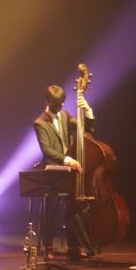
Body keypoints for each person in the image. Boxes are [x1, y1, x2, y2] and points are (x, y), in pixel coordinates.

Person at [32, 85, 94, 259]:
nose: (60, 107)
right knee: (50, 208)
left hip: (69, 171)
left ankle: (73, 246)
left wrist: (87, 111)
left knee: (74, 206)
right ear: (47, 102)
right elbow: (47, 150)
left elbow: (85, 131)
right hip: (53, 170)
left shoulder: (65, 115)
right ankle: (48, 247)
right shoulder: (40, 123)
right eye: (57, 104)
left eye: (62, 104)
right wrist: (67, 160)